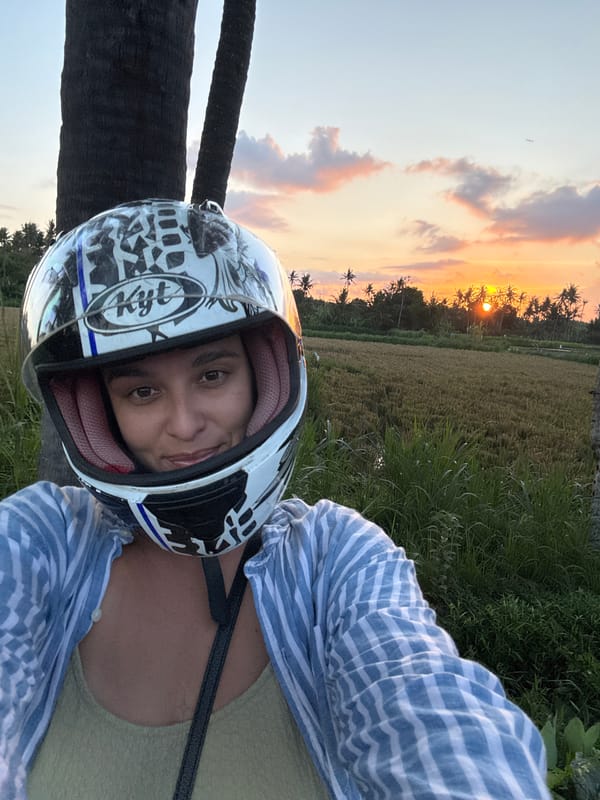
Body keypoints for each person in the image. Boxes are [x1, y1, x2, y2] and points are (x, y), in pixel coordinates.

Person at [0, 199, 550, 800]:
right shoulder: (41, 541)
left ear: (265, 376)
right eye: (142, 392)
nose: (184, 424)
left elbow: (430, 712)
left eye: (212, 375)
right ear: (99, 414)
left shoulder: (334, 559)